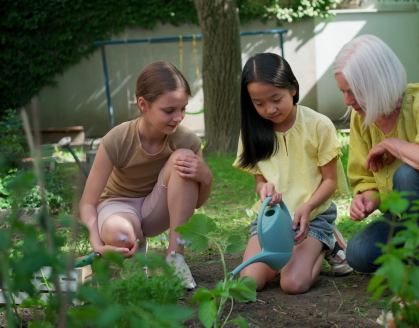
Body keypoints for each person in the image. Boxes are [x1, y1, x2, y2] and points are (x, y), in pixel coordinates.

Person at [79, 61, 213, 290]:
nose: (179, 117)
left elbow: (193, 204)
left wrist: (206, 177)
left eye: (183, 108)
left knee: (183, 157)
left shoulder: (187, 141)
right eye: (169, 110)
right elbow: (88, 203)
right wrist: (97, 245)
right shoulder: (117, 138)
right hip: (119, 206)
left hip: (157, 208)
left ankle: (175, 259)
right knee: (122, 234)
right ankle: (134, 257)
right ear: (143, 104)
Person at [333, 34, 419, 275]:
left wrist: (391, 144)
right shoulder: (362, 119)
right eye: (343, 92)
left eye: (354, 91)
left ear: (379, 81)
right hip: (407, 219)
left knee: (408, 174)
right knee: (358, 253)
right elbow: (367, 179)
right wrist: (368, 200)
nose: (348, 101)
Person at [233, 53, 350, 294]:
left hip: (312, 215)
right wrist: (264, 190)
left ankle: (327, 244)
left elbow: (330, 181)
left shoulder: (319, 125)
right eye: (259, 103)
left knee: (293, 284)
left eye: (276, 99)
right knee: (250, 282)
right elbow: (260, 181)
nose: (270, 109)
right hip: (272, 218)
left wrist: (306, 208)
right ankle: (293, 256)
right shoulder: (251, 132)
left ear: (293, 89)